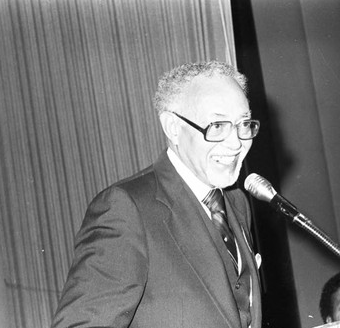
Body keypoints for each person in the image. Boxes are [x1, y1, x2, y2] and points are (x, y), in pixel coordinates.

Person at [51, 61, 262, 328]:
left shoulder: (236, 203)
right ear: (173, 127)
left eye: (244, 124)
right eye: (217, 126)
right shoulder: (126, 208)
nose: (236, 143)